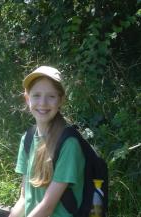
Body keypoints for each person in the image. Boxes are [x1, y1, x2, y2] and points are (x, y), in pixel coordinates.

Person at [9, 66, 85, 217]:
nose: (43, 103)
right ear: (27, 98)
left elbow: (47, 208)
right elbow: (24, 199)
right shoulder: (28, 139)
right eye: (36, 95)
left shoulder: (69, 144)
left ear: (61, 100)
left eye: (51, 96)